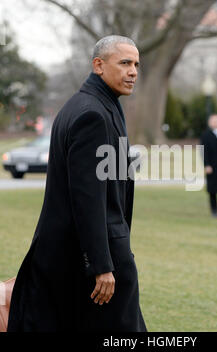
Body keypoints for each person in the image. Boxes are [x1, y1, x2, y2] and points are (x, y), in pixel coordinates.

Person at [7, 35, 147, 332]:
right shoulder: (92, 114)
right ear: (99, 65)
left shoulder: (95, 105)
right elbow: (88, 198)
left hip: (79, 253)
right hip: (90, 259)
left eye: (136, 64)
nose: (133, 71)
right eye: (124, 63)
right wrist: (101, 265)